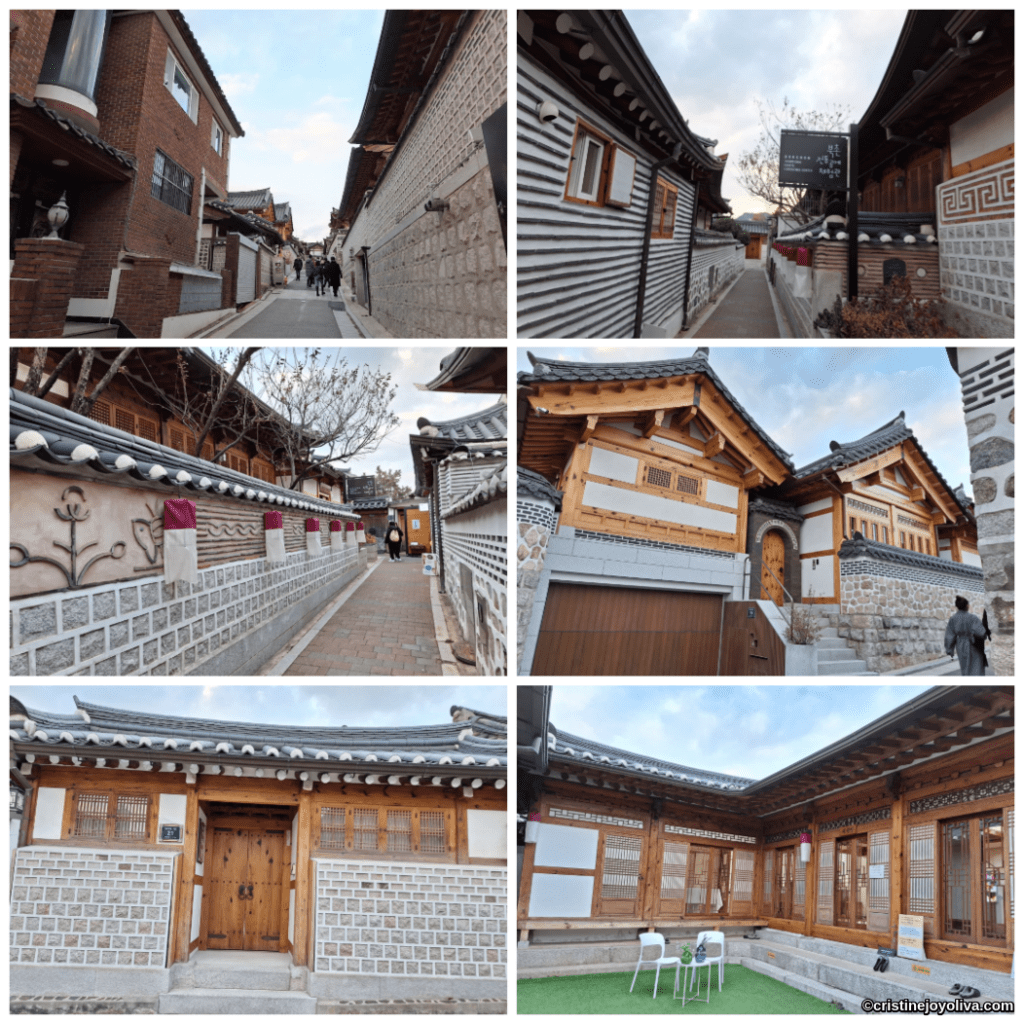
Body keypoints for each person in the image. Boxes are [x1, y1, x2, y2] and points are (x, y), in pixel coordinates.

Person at [943, 595, 988, 675]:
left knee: (965, 667)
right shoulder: (972, 618)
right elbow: (981, 632)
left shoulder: (953, 619)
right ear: (967, 606)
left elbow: (949, 635)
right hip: (973, 644)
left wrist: (949, 649)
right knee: (976, 667)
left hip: (960, 645)